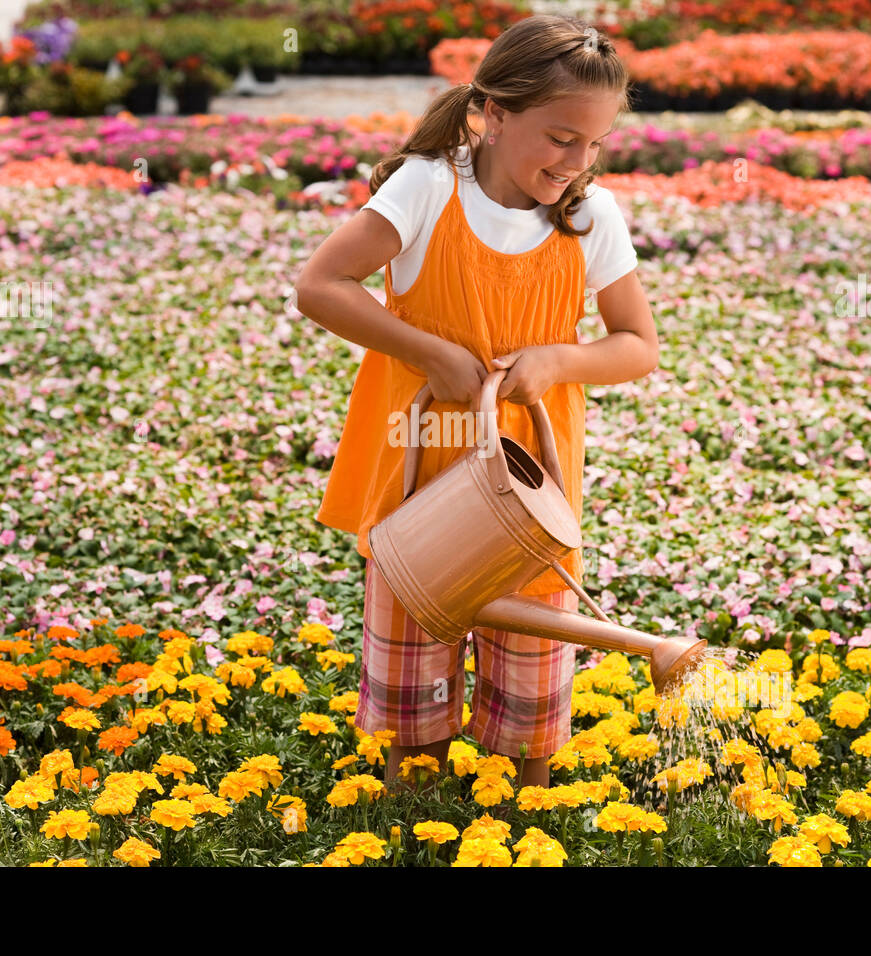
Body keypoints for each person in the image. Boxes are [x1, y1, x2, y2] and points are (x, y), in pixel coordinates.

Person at [293, 15, 657, 793]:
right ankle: (410, 829)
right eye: (561, 138)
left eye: (594, 145)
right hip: (415, 492)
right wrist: (428, 352)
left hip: (531, 506)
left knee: (529, 736)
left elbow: (636, 344)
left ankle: (523, 830)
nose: (577, 162)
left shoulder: (591, 217)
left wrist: (560, 358)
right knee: (414, 728)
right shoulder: (427, 187)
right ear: (488, 114)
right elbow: (319, 286)